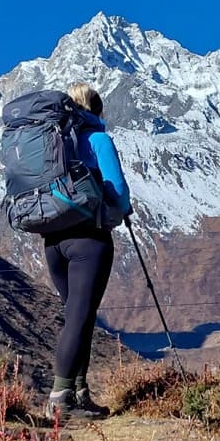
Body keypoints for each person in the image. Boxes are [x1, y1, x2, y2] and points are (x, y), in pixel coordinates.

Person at [44, 82, 133, 419]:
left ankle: (79, 393)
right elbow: (118, 188)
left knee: (75, 316)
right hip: (88, 241)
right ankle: (61, 399)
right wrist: (122, 208)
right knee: (81, 317)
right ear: (97, 111)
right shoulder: (97, 139)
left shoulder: (53, 142)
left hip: (53, 241)